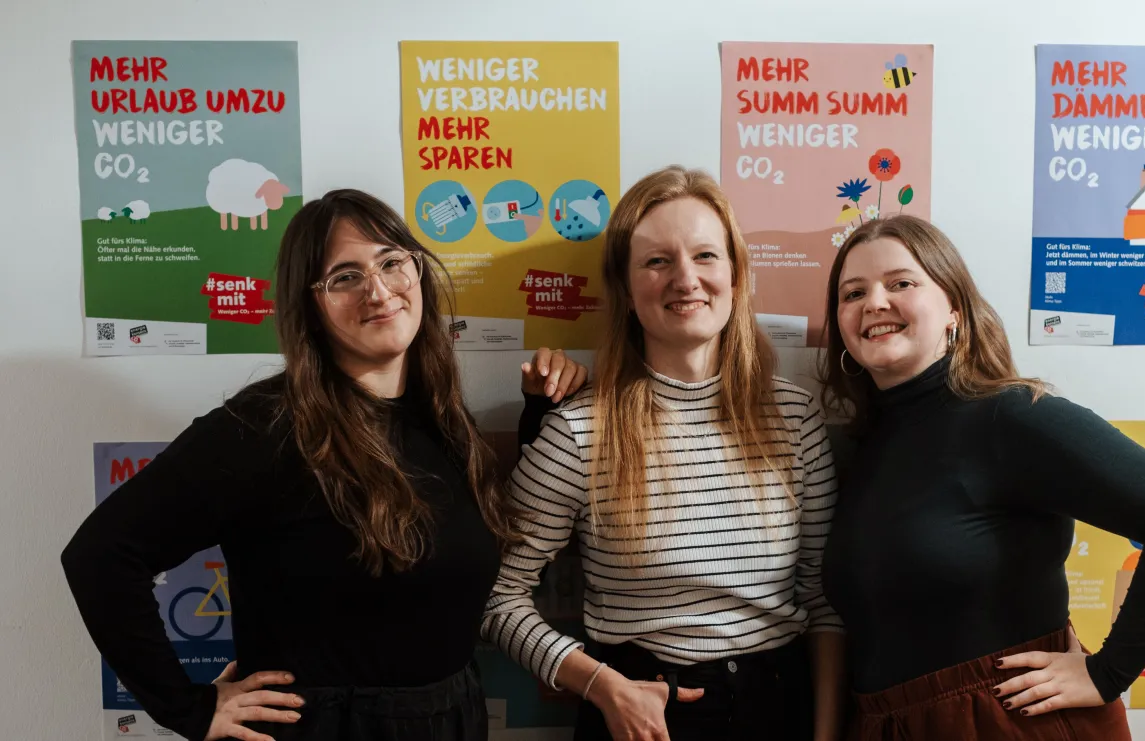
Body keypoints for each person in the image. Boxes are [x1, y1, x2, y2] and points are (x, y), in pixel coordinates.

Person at [61, 189, 587, 741]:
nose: (379, 291)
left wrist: (541, 415)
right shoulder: (267, 426)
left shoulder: (442, 417)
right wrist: (187, 708)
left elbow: (463, 557)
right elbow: (101, 554)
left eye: (391, 263)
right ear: (309, 304)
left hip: (452, 715)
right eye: (344, 277)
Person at [817, 214, 1145, 740]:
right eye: (853, 293)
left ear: (953, 310)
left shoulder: (1011, 416)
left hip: (1004, 721)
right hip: (884, 721)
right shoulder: (854, 448)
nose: (874, 302)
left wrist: (1109, 673)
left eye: (901, 283)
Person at [483, 165, 844, 741]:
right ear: (626, 291)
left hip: (780, 705)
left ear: (736, 274)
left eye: (705, 256)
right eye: (657, 261)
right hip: (642, 717)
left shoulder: (794, 415)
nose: (685, 278)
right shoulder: (580, 430)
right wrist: (603, 686)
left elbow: (823, 601)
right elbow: (496, 598)